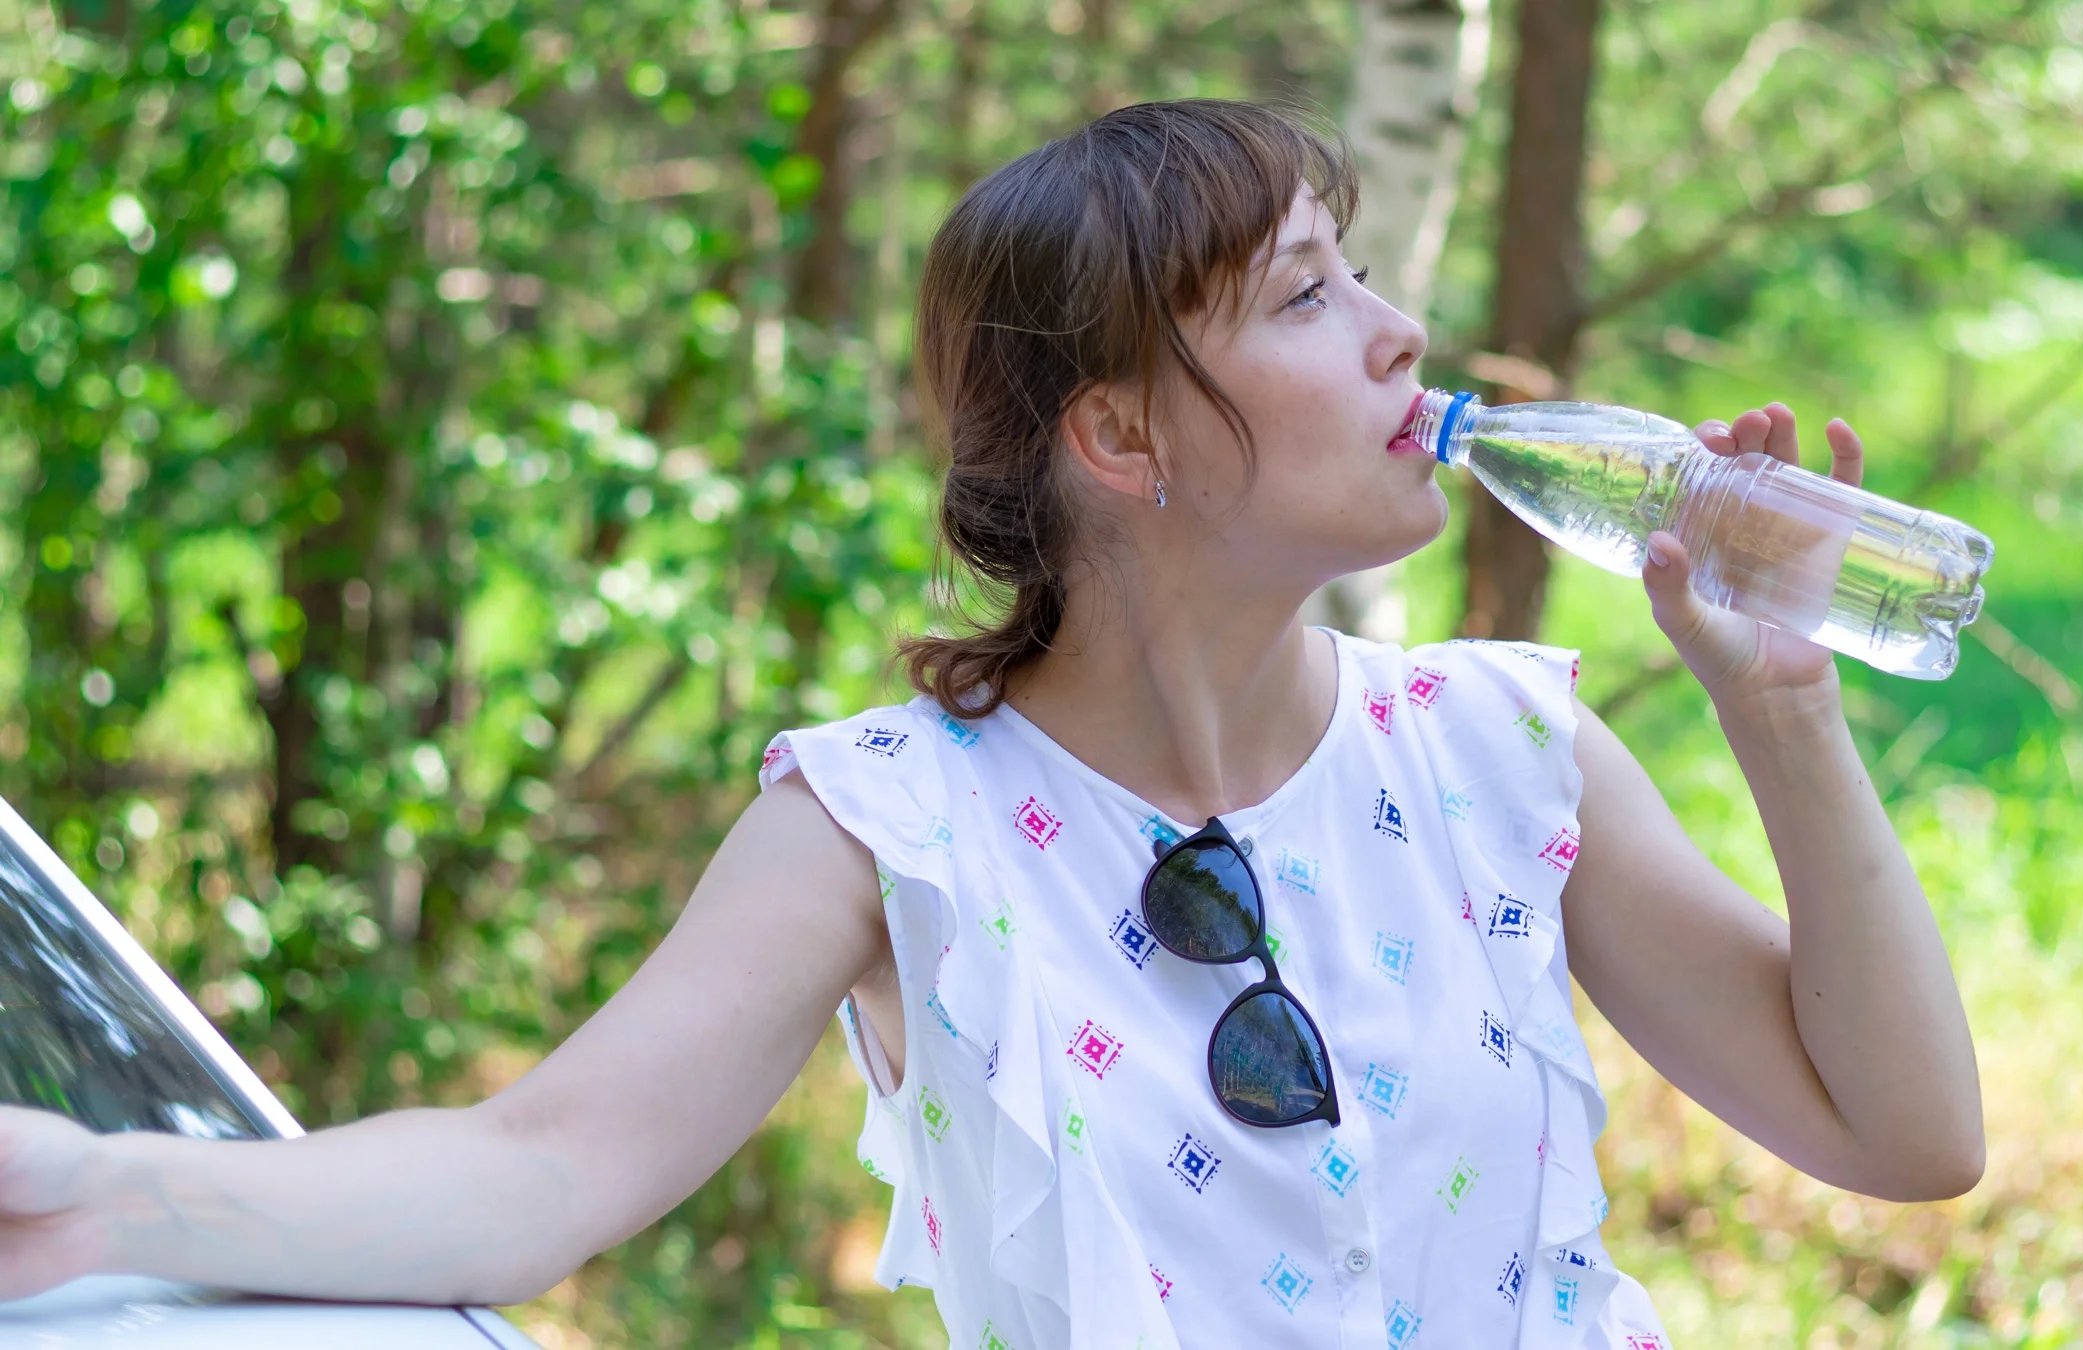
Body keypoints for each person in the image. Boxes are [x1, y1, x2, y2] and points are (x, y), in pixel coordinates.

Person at [0, 99, 1982, 1346]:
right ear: (1121, 435)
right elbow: (538, 1171)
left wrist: (1788, 713)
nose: (1398, 329)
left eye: (1363, 272)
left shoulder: (1504, 748)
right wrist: (98, 1201)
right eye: (1306, 295)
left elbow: (1908, 1138)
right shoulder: (893, 827)